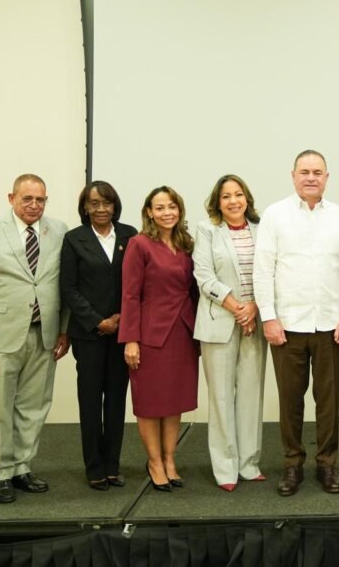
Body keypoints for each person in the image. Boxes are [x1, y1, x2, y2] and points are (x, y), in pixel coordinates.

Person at [254, 150, 339, 496]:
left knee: (328, 401)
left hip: (331, 324)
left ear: (327, 177)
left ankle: (327, 464)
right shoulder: (275, 215)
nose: (311, 177)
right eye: (304, 172)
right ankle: (292, 464)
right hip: (287, 326)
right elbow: (263, 270)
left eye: (317, 172)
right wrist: (268, 316)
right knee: (290, 401)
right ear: (293, 176)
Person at [0, 173, 70, 504]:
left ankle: (22, 467)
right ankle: (0, 473)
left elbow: (66, 285)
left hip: (44, 335)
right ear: (11, 198)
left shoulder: (59, 231)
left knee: (34, 407)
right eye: (27, 199)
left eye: (40, 199)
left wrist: (64, 329)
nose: (34, 205)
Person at [119, 186, 199, 492]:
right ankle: (154, 462)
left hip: (183, 332)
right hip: (150, 334)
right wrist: (130, 339)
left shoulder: (186, 243)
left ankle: (169, 459)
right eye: (160, 207)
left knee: (174, 400)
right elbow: (130, 294)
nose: (167, 212)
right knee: (151, 402)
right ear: (149, 212)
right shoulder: (139, 244)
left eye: (172, 207)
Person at [60, 180, 137, 491]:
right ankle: (94, 467)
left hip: (122, 332)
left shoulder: (130, 235)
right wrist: (97, 321)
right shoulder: (73, 239)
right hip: (89, 335)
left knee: (116, 401)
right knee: (91, 402)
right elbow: (69, 288)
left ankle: (112, 466)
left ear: (115, 205)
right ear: (85, 207)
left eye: (107, 203)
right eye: (94, 203)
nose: (101, 209)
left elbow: (136, 283)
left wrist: (121, 318)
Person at [193, 175, 265, 492]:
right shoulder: (207, 230)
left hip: (255, 321)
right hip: (219, 321)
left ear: (247, 199)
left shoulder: (262, 230)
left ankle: (248, 464)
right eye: (226, 196)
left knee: (251, 395)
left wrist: (253, 308)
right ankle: (225, 469)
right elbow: (204, 276)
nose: (233, 201)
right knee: (221, 397)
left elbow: (271, 272)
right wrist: (238, 308)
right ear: (217, 203)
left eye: (238, 194)